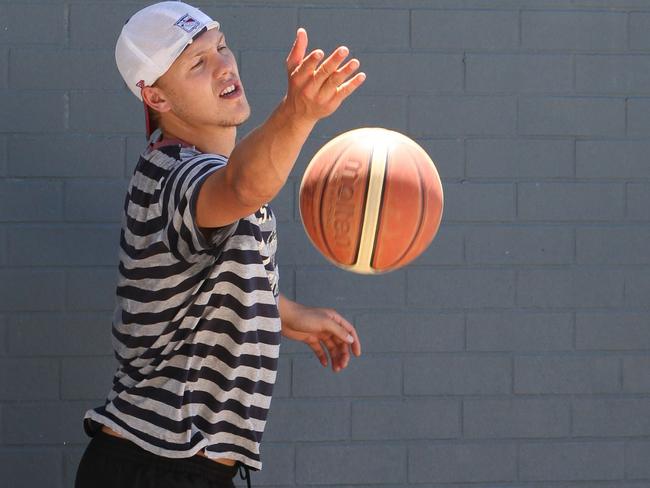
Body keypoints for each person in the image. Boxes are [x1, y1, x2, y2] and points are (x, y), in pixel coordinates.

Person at [74, 2, 365, 488]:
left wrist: (286, 314)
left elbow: (209, 277)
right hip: (152, 466)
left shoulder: (205, 174)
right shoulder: (172, 176)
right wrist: (297, 113)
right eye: (197, 63)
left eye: (221, 47)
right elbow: (242, 186)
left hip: (191, 467)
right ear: (157, 98)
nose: (224, 65)